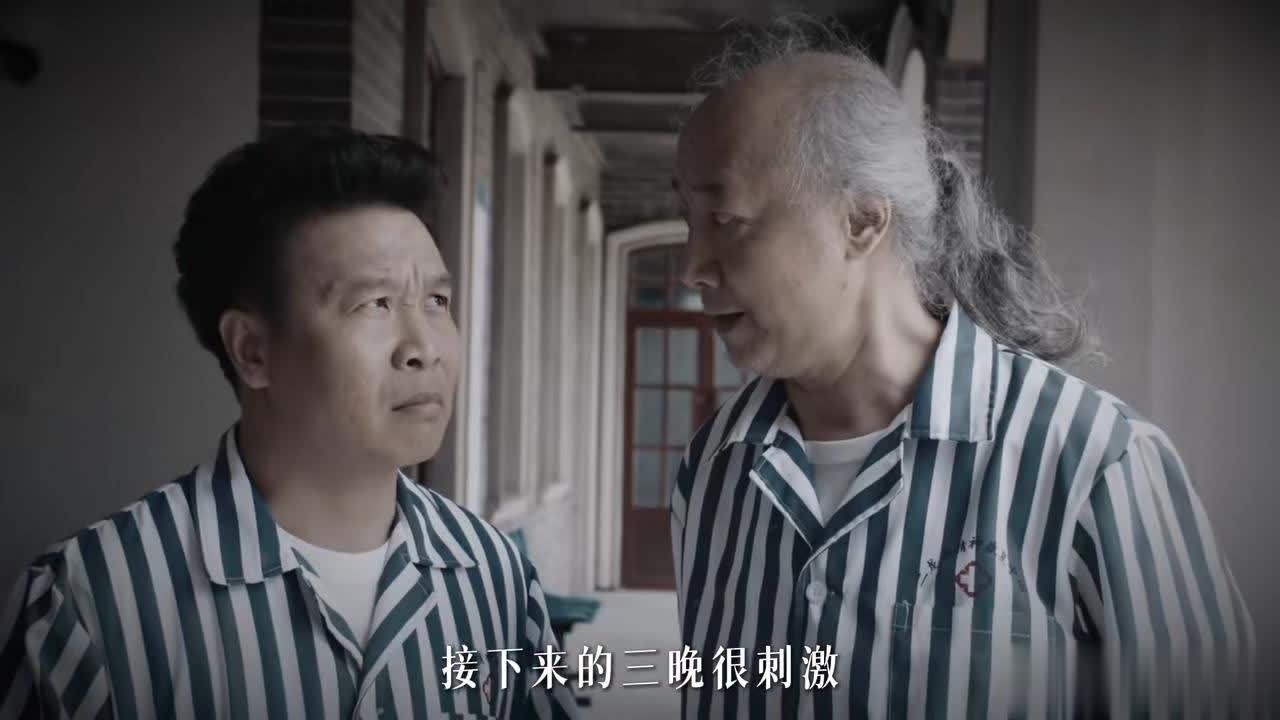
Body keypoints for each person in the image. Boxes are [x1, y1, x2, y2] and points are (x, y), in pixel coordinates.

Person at [669, 17, 1254, 719]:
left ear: (862, 221)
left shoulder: (1092, 466)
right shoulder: (711, 471)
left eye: (725, 220)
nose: (691, 268)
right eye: (687, 222)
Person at [0, 126, 579, 719]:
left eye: (436, 302)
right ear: (251, 350)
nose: (424, 349)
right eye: (374, 304)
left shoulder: (494, 575)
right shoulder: (92, 600)